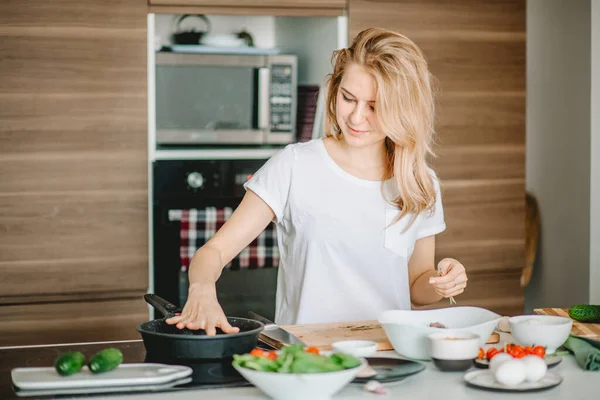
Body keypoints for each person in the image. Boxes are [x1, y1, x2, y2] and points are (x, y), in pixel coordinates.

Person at [166, 27, 468, 336]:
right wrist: (202, 288)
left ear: (403, 111)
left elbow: (416, 288)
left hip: (391, 354)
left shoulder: (419, 182)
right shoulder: (295, 165)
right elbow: (213, 253)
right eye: (348, 98)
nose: (356, 117)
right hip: (310, 357)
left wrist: (442, 282)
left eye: (375, 107)